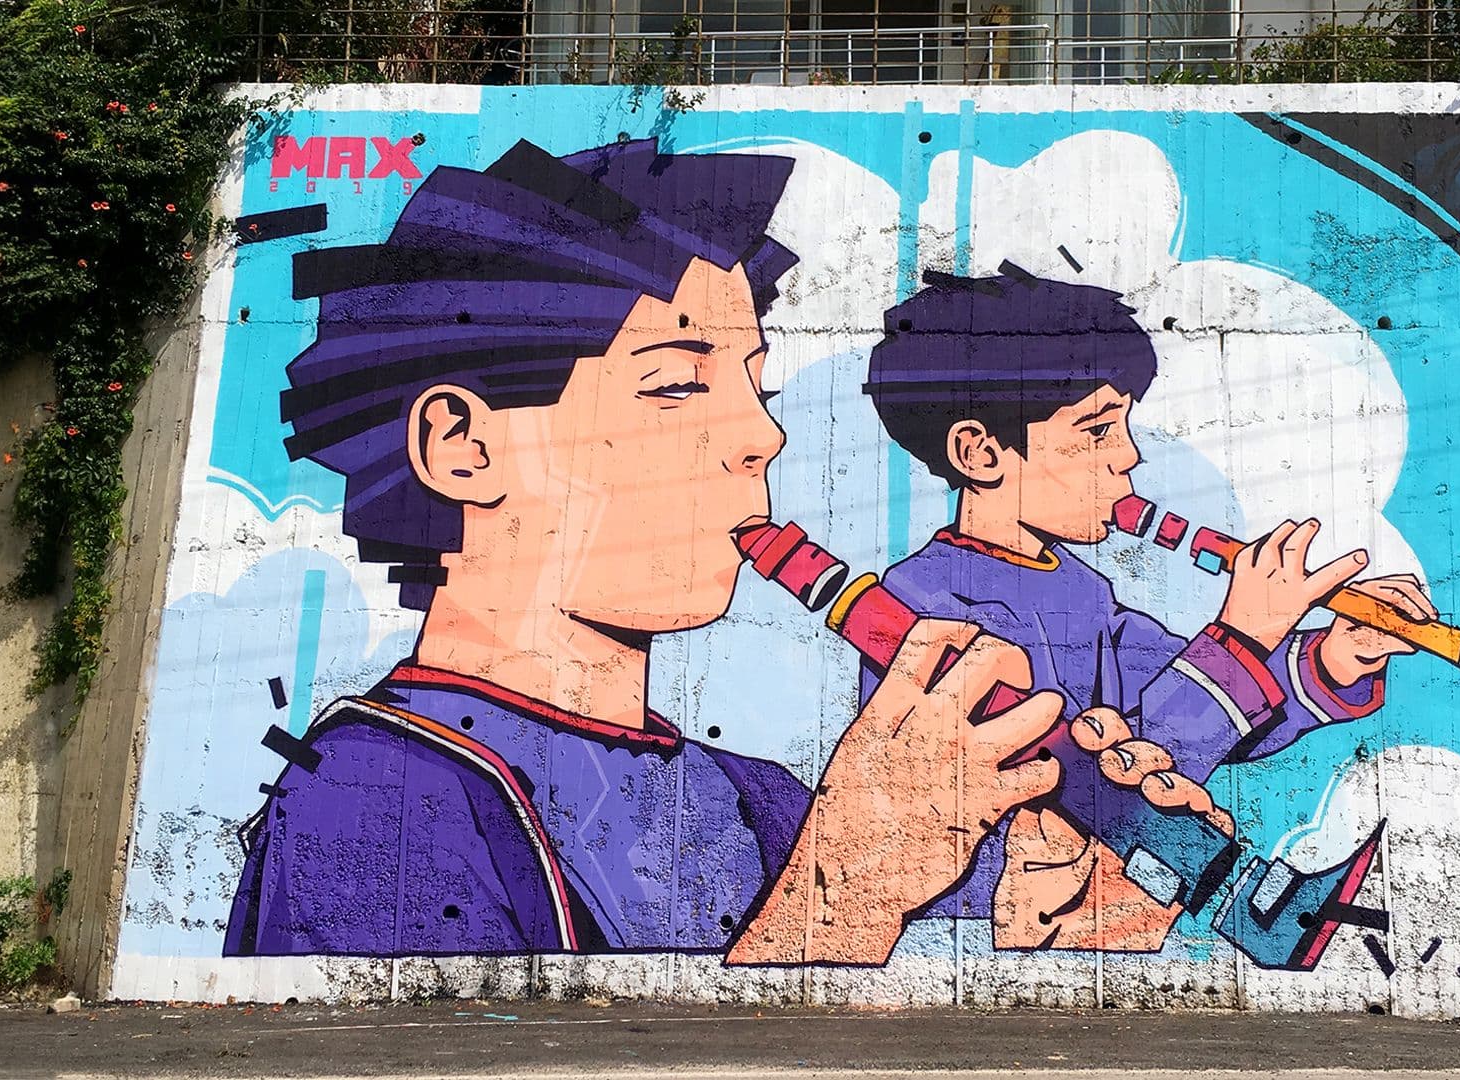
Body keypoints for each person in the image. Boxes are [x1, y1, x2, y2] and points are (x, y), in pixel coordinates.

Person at [224, 139, 1209, 964]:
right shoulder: (371, 794)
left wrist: (1072, 913)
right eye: (676, 387)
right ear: (464, 447)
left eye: (756, 389)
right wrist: (838, 902)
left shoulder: (759, 799)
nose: (759, 437)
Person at [861, 264, 1437, 951]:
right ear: (981, 452)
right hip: (986, 920)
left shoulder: (1080, 590)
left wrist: (1336, 656)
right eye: (1098, 431)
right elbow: (1100, 781)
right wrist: (1240, 637)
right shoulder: (927, 605)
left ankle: (1270, 917)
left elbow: (1198, 701)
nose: (1128, 456)